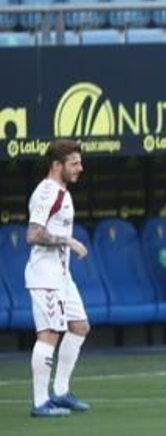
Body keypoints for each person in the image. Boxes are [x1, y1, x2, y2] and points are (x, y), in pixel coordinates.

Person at [25, 139, 93, 417]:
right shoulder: (47, 193)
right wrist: (68, 241)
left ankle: (61, 391)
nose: (80, 168)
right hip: (45, 276)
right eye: (74, 163)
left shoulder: (62, 192)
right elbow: (33, 234)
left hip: (62, 276)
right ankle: (41, 402)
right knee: (49, 334)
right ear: (57, 165)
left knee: (80, 327)